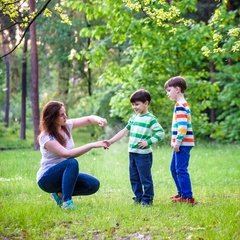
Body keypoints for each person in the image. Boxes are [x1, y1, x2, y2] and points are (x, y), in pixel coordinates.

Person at [37, 101, 108, 209]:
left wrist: (99, 120)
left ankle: (59, 194)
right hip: (47, 179)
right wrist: (92, 145)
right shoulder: (46, 137)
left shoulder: (66, 126)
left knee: (93, 184)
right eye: (61, 115)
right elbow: (67, 154)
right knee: (71, 163)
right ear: (52, 118)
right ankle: (67, 203)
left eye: (65, 113)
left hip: (64, 174)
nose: (65, 116)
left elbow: (89, 119)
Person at [104, 89, 165, 206]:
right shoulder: (134, 118)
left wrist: (149, 141)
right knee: (134, 177)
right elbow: (124, 131)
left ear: (146, 103)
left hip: (144, 155)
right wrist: (111, 141)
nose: (134, 107)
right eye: (132, 105)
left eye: (137, 104)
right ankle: (138, 197)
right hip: (132, 153)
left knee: (145, 179)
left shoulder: (150, 119)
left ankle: (147, 200)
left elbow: (160, 133)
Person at [164, 76, 195, 204]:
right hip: (181, 143)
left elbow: (183, 127)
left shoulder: (180, 106)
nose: (167, 94)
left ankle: (188, 197)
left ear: (177, 89)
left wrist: (177, 143)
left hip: (182, 144)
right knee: (174, 168)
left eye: (168, 90)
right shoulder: (181, 104)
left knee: (181, 169)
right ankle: (181, 193)